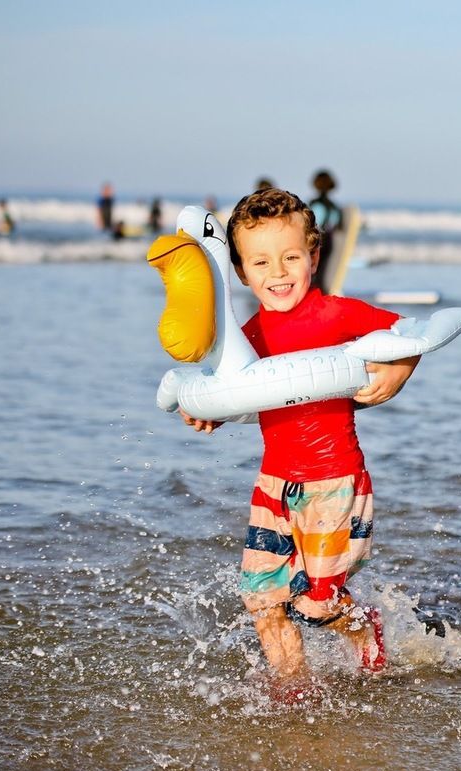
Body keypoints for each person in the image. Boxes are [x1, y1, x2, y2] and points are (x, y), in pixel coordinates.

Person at [180, 188, 420, 694]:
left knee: (319, 603)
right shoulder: (249, 338)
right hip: (274, 484)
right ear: (241, 273)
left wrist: (398, 372)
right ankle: (293, 690)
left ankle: (366, 632)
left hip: (334, 483)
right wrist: (208, 416)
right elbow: (233, 390)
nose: (279, 272)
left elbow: (410, 335)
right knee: (263, 599)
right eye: (261, 262)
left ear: (313, 255)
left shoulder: (336, 314)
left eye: (291, 257)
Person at [308, 169, 342, 294]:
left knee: (311, 271)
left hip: (315, 240)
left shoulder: (314, 204)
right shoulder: (335, 207)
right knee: (322, 271)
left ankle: (313, 295)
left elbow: (310, 224)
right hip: (329, 241)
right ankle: (321, 294)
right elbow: (338, 226)